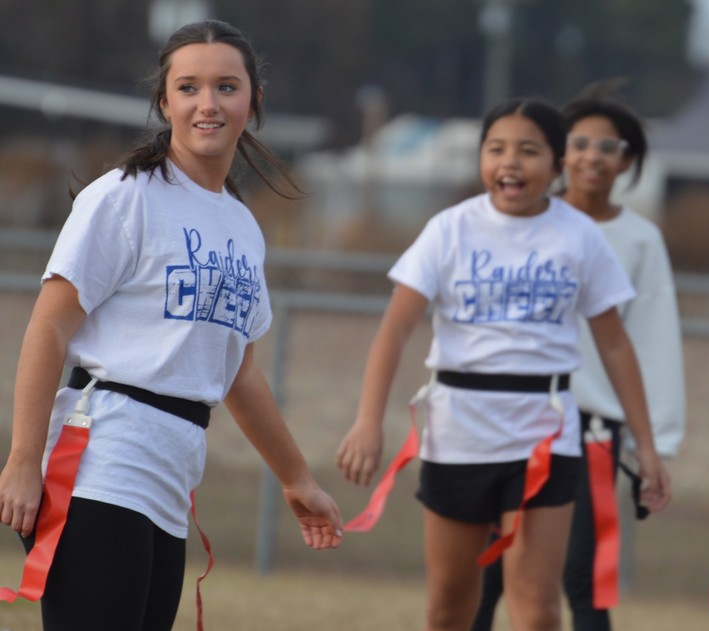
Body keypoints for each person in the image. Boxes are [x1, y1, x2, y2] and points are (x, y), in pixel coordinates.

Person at [0, 20, 343, 631]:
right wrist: (24, 459)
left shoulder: (242, 225)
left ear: (253, 101)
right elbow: (47, 329)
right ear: (165, 102)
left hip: (170, 478)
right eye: (188, 87)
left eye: (225, 87)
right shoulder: (123, 197)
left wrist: (297, 479)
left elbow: (238, 371)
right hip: (101, 463)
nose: (207, 103)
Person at [335, 97, 671, 631]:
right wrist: (367, 421)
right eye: (496, 149)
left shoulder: (579, 235)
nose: (510, 162)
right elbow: (395, 328)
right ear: (481, 161)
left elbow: (614, 346)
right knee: (450, 607)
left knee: (537, 610)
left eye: (528, 151)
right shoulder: (449, 228)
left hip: (545, 433)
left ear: (557, 165)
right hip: (458, 431)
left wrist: (646, 447)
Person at [472, 90, 685, 631]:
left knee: (583, 576)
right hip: (505, 417)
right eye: (580, 142)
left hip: (586, 430)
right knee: (484, 572)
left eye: (608, 146)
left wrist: (651, 445)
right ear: (559, 153)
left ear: (627, 160)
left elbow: (649, 339)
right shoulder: (524, 220)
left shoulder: (638, 240)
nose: (592, 156)